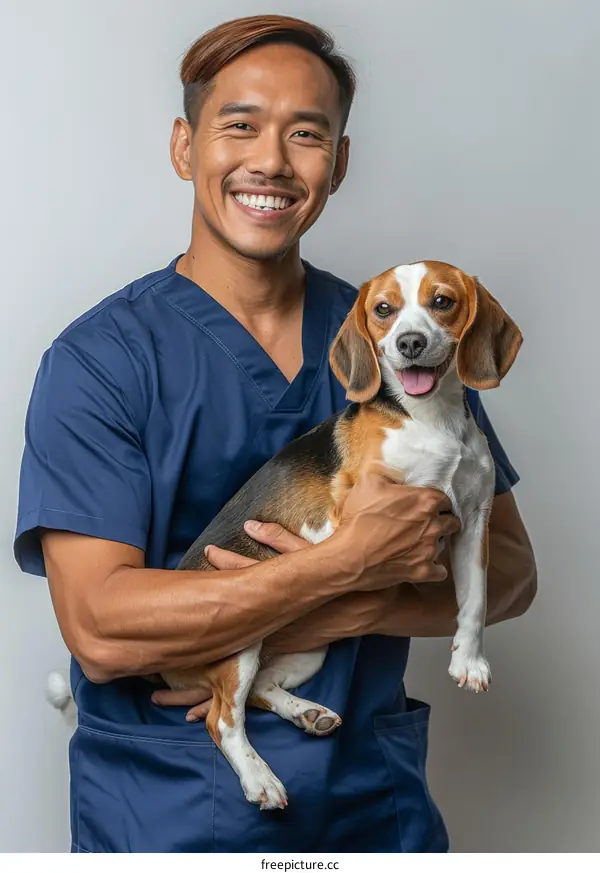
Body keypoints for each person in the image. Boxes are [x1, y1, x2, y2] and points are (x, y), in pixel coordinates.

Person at [14, 14, 537, 854]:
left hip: (374, 806)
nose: (270, 161)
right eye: (240, 125)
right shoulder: (99, 362)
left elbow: (509, 574)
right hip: (167, 812)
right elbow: (104, 631)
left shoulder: (400, 336)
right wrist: (344, 567)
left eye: (306, 134)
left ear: (339, 162)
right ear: (185, 148)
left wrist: (305, 611)